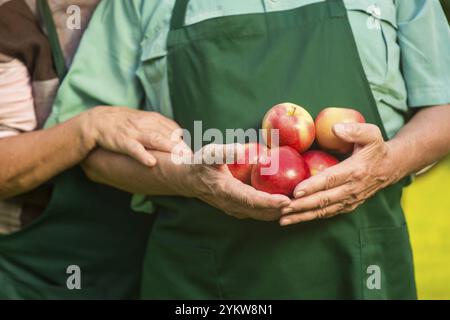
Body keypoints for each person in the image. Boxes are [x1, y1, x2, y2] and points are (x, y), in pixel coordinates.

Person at [16, 0, 450, 299]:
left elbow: (444, 106)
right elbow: (91, 151)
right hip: (200, 284)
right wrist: (186, 178)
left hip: (363, 272)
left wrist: (387, 164)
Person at [0, 0, 181, 299]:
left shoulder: (158, 9)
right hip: (36, 272)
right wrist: (89, 128)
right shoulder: (12, 18)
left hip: (146, 260)